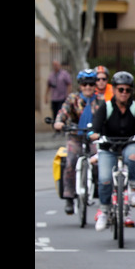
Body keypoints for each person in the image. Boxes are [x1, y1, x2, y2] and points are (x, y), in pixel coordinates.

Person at [89, 71, 135, 231]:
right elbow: (95, 126)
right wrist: (95, 134)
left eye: (127, 90)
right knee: (105, 179)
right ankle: (105, 210)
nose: (124, 93)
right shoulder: (106, 107)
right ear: (114, 90)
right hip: (108, 147)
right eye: (120, 89)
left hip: (130, 143)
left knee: (134, 155)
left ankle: (134, 191)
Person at [54, 69, 103, 215]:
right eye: (84, 84)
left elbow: (107, 117)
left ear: (95, 85)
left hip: (93, 138)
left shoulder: (101, 100)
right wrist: (59, 123)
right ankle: (69, 197)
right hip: (75, 136)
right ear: (80, 85)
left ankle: (99, 192)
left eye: (91, 84)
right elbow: (62, 113)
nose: (87, 87)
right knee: (70, 161)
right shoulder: (72, 98)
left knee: (99, 160)